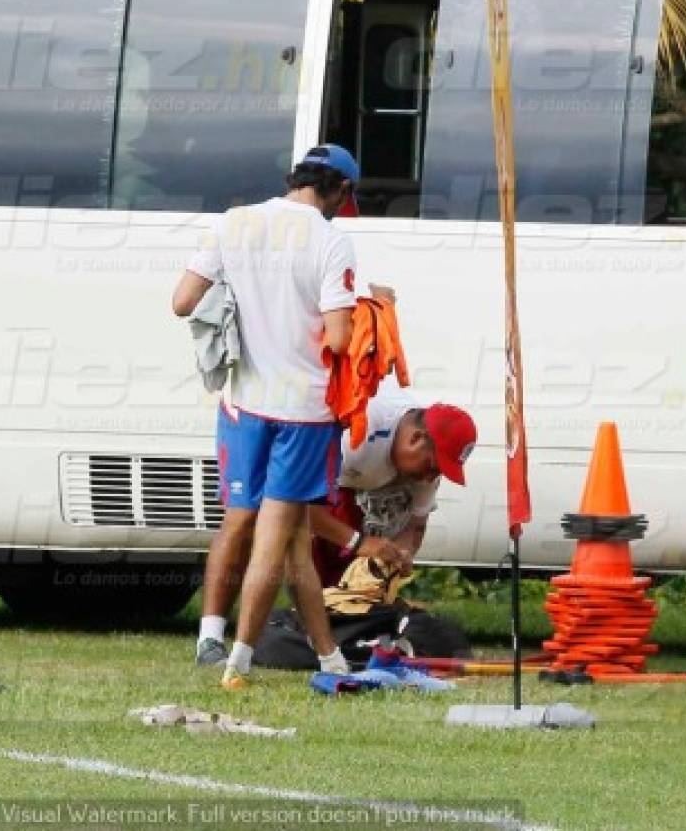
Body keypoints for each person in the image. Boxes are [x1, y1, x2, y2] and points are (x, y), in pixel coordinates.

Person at [173, 144, 379, 690]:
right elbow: (337, 338)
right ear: (340, 190)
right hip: (304, 410)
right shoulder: (331, 240)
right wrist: (371, 309)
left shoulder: (235, 222)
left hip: (243, 403)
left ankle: (231, 641)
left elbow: (182, 301)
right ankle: (240, 658)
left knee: (254, 526)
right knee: (277, 537)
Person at [315, 384, 478, 588]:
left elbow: (416, 524)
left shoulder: (426, 461)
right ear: (416, 438)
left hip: (358, 476)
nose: (430, 478)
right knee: (315, 552)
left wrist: (402, 553)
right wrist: (359, 543)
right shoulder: (359, 432)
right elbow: (297, 506)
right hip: (308, 470)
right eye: (432, 467)